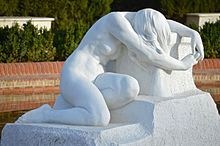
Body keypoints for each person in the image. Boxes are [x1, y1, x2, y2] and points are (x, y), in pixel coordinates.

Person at [16, 8, 204, 126]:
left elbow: (162, 24)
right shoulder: (116, 21)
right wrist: (183, 65)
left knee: (131, 87)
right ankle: (47, 114)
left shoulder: (136, 21)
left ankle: (76, 106)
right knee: (99, 119)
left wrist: (191, 31)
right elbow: (149, 54)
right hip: (76, 75)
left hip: (97, 78)